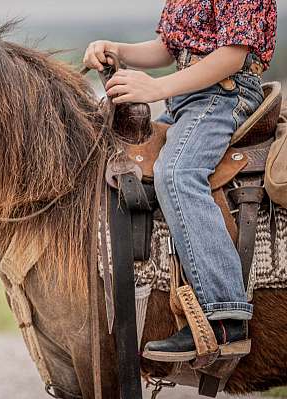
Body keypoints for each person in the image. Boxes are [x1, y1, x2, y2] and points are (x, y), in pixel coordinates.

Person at [83, 0, 277, 361]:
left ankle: (225, 315)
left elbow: (233, 54)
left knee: (178, 172)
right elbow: (168, 47)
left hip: (224, 94)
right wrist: (116, 49)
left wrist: (156, 89)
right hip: (184, 100)